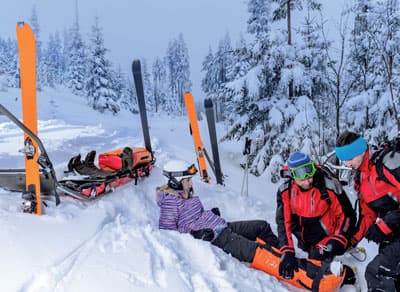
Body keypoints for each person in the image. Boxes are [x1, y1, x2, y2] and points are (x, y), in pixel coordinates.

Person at [156, 159, 279, 264]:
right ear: (176, 182)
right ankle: (292, 268)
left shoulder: (185, 194)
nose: (191, 183)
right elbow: (168, 234)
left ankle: (283, 254)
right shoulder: (170, 203)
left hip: (223, 226)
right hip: (219, 238)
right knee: (259, 251)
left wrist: (210, 214)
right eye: (187, 180)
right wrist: (196, 234)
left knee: (262, 226)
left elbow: (194, 218)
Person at [335, 131, 400, 291]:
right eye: (345, 160)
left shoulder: (388, 162)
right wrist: (350, 242)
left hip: (393, 228)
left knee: (377, 272)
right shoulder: (361, 179)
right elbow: (367, 216)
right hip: (392, 234)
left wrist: (385, 225)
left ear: (361, 151)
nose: (347, 164)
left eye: (349, 158)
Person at [276, 152, 356, 280]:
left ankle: (343, 271)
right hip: (305, 237)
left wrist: (339, 239)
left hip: (328, 236)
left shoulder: (329, 185)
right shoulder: (285, 191)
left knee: (315, 263)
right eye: (300, 175)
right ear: (292, 175)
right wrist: (287, 250)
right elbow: (283, 222)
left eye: (309, 170)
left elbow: (347, 215)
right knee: (305, 255)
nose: (307, 178)